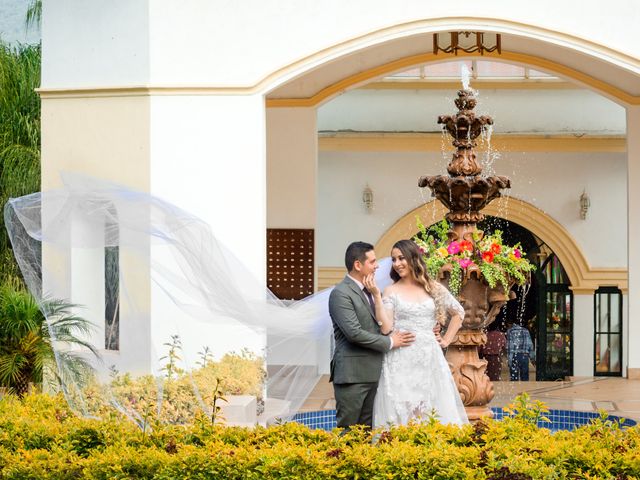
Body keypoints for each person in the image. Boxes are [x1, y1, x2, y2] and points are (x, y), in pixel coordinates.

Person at [365, 239, 468, 427]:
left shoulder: (433, 288)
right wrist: (377, 297)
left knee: (430, 408)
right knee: (401, 408)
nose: (397, 264)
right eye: (394, 259)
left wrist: (445, 340)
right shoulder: (391, 290)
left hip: (429, 358)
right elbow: (386, 328)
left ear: (413, 258)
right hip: (400, 358)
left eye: (401, 258)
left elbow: (458, 313)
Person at [328, 241, 416, 430]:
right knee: (348, 432)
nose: (377, 266)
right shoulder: (341, 294)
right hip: (352, 375)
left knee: (366, 432)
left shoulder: (370, 290)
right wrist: (391, 341)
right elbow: (354, 333)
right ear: (358, 265)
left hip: (373, 373)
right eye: (372, 262)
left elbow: (381, 324)